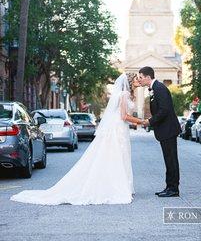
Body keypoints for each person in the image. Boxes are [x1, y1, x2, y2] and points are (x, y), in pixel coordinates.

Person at [10, 73, 142, 205]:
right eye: (136, 79)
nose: (138, 81)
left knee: (116, 156)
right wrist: (142, 122)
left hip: (119, 127)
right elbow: (124, 116)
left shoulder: (124, 94)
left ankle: (118, 185)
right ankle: (116, 187)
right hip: (117, 128)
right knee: (117, 156)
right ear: (129, 81)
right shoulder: (124, 94)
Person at [138, 66, 181, 197]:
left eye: (141, 77)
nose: (139, 80)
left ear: (148, 77)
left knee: (171, 160)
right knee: (168, 159)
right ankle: (169, 187)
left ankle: (173, 189)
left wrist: (150, 121)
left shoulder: (160, 88)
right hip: (164, 130)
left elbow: (164, 110)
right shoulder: (154, 88)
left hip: (168, 129)